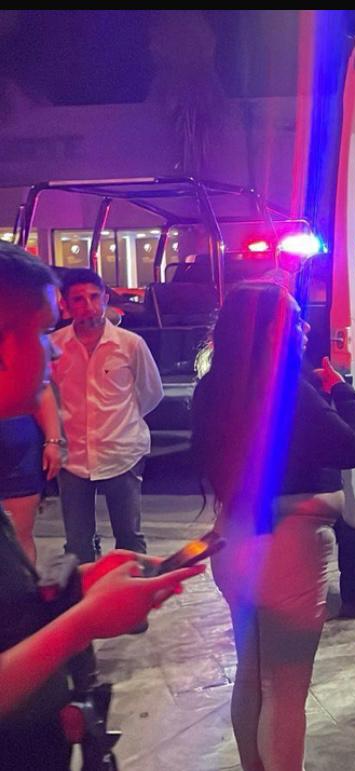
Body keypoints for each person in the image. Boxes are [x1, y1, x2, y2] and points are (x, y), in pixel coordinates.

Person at [0, 244, 203, 770]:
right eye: (43, 331)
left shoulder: (130, 345)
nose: (54, 354)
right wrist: (84, 621)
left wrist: (79, 588)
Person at [191, 282, 355, 771]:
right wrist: (342, 391)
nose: (305, 326)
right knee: (285, 690)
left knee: (251, 674)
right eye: (295, 318)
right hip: (288, 549)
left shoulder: (212, 387)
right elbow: (352, 447)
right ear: (271, 331)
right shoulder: (290, 389)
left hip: (233, 539)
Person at [50, 269, 163, 564]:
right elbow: (49, 398)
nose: (88, 305)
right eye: (78, 299)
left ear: (104, 298)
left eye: (94, 297)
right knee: (77, 543)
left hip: (121, 451)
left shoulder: (130, 344)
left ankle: (133, 590)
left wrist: (122, 423)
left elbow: (151, 392)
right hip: (73, 456)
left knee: (129, 538)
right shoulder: (54, 347)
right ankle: (85, 591)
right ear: (65, 304)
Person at [0, 385, 63, 562]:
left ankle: (23, 580)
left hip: (17, 443)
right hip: (18, 440)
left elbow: (42, 388)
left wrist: (53, 441)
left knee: (19, 535)